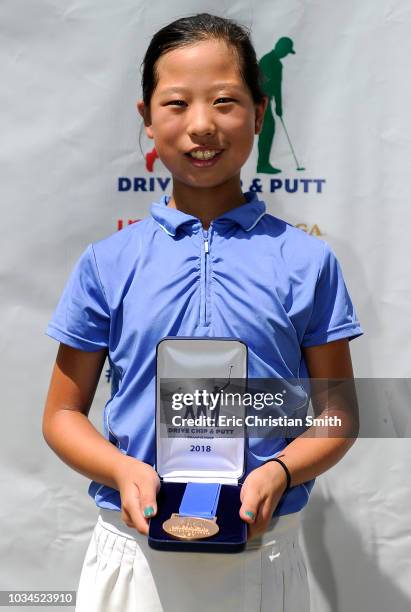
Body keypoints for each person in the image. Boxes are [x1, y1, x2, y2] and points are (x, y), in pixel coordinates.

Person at [42, 12, 363, 612]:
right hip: (133, 557)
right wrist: (122, 471)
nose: (201, 126)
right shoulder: (107, 262)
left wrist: (282, 471)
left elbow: (339, 410)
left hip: (263, 552)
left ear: (260, 112)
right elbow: (62, 413)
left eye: (224, 101)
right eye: (176, 104)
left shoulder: (307, 260)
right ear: (146, 118)